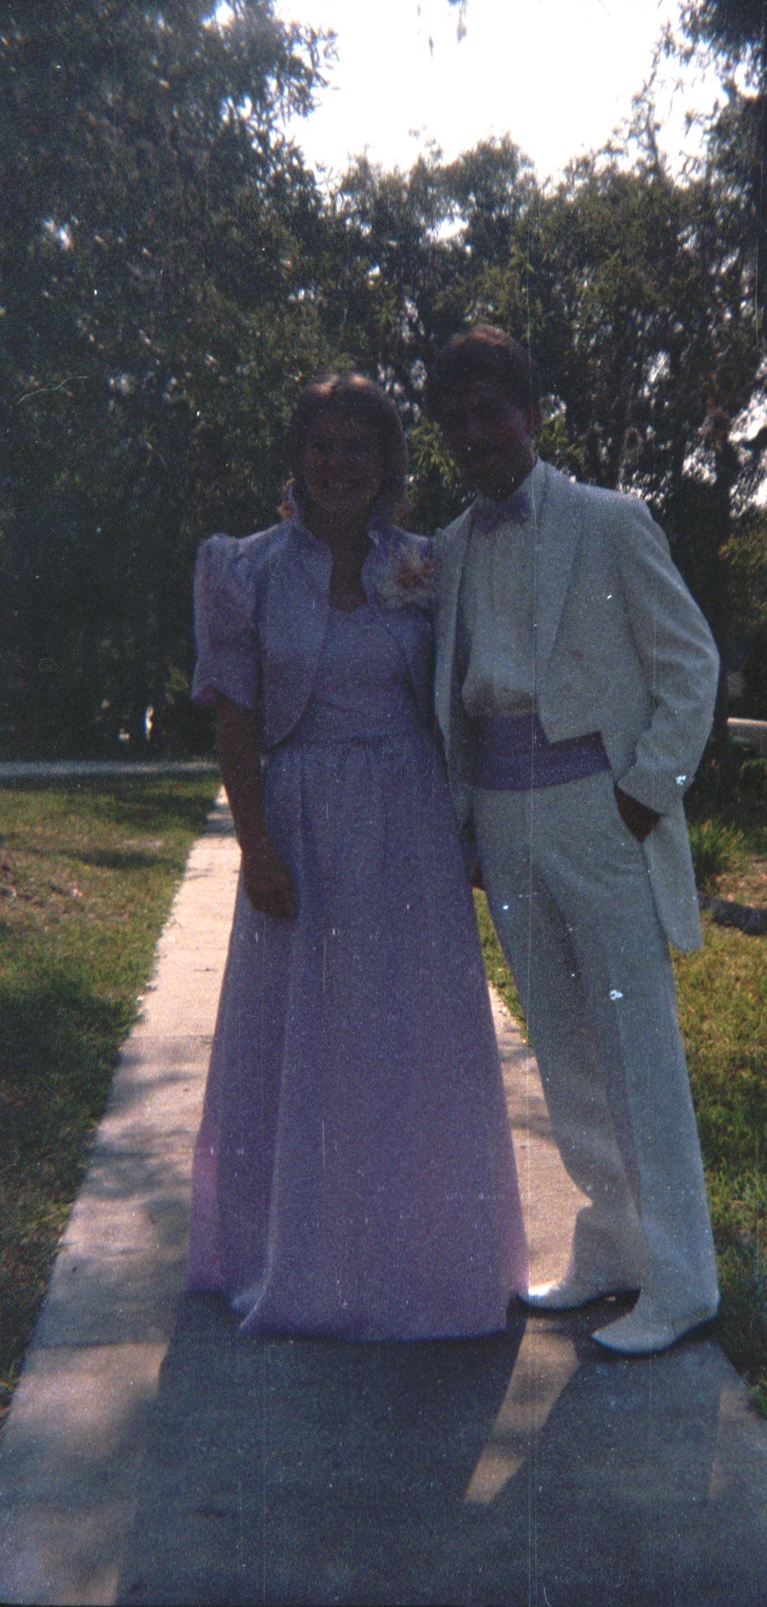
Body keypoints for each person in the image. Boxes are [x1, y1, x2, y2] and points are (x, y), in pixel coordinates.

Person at [188, 371, 527, 1340]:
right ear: (297, 460)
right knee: (301, 1040)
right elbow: (237, 726)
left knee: (405, 1038)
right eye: (322, 445)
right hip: (298, 822)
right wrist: (255, 845)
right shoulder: (241, 569)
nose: (339, 463)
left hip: (409, 823)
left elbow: (464, 691)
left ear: (386, 464)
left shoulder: (426, 565)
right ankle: (294, 1256)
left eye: (358, 446)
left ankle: (418, 1259)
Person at [429, 326, 721, 1356]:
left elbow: (690, 667)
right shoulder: (450, 550)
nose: (476, 435)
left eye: (490, 411)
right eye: (456, 419)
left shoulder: (611, 521)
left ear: (531, 412)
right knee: (560, 1047)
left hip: (598, 809)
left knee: (635, 1048)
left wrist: (640, 797)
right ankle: (611, 1246)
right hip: (502, 819)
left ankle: (683, 1281)